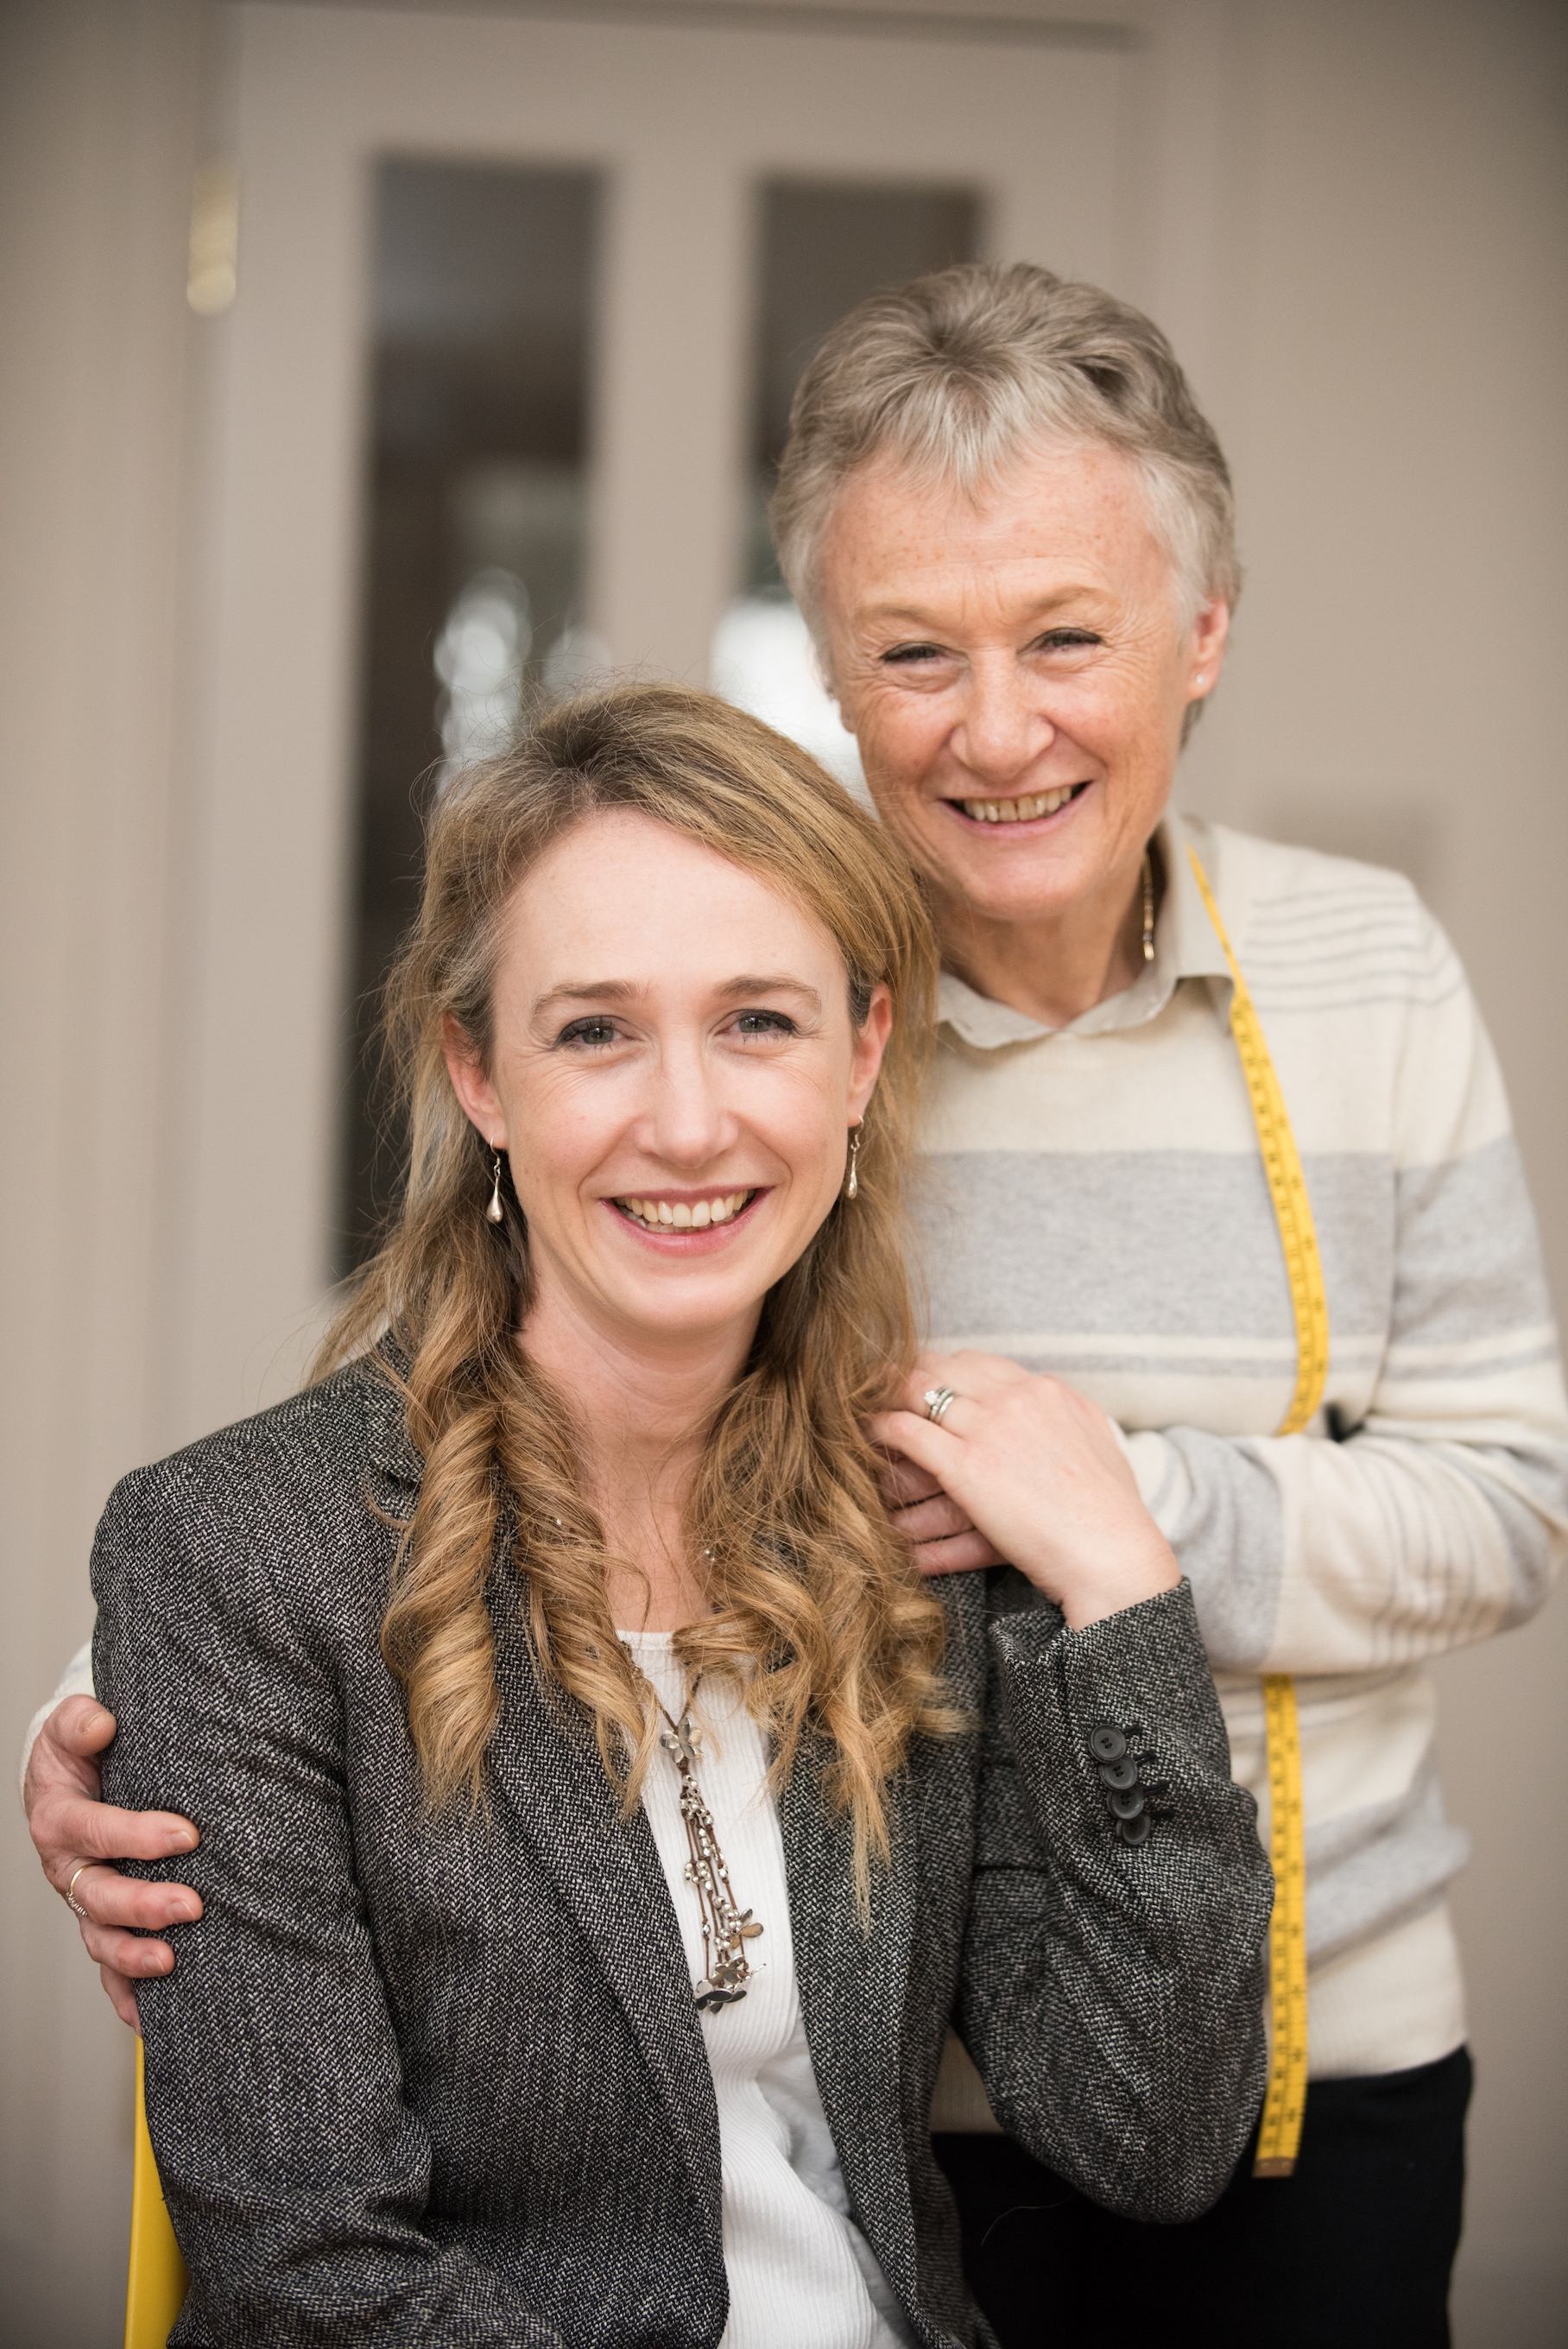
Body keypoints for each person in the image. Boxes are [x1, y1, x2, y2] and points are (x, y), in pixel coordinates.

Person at [27, 261, 1567, 2340]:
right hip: (873, 2083)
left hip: (1260, 2026)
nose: (993, 723)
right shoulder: (734, 926)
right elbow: (361, 1481)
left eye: (1066, 638)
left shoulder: (1356, 973)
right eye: (912, 649)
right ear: (831, 670)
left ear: (1199, 637)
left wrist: (1119, 1530)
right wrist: (125, 1723)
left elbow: (1510, 1493)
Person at [73, 684, 1269, 2346]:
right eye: (595, 1031)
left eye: (760, 1022)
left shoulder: (910, 1530)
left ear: (863, 1055)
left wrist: (1127, 1597)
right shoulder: (239, 1557)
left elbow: (1151, 2132)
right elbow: (310, 2277)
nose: (690, 1121)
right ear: (477, 1074)